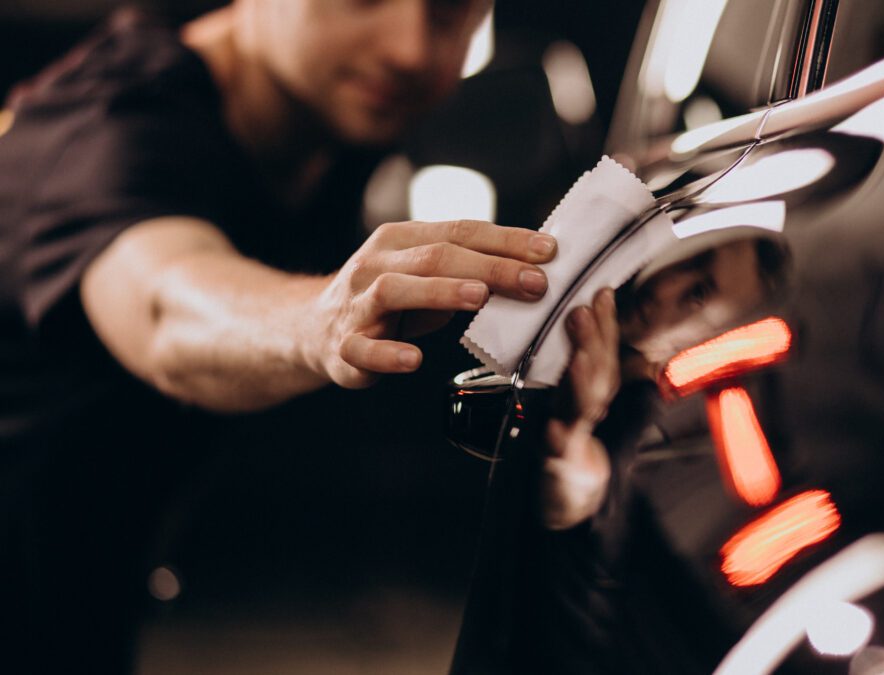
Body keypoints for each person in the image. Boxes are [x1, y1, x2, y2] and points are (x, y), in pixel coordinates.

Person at [0, 1, 557, 672]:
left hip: (77, 584)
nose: (410, 48)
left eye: (447, 12)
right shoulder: (107, 132)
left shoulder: (328, 119)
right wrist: (318, 316)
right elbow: (166, 307)